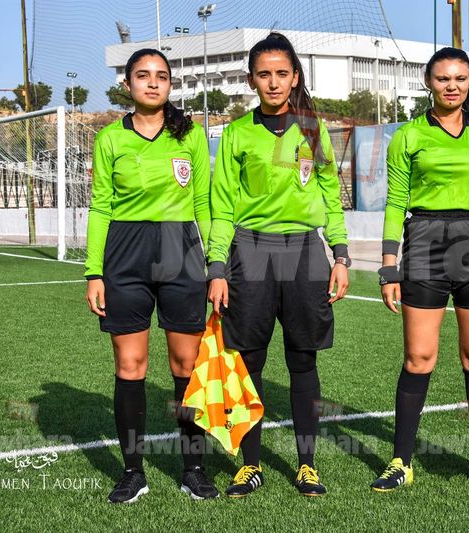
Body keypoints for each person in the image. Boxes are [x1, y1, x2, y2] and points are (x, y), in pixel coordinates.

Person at [371, 47, 469, 493]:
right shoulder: (408, 136)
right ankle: (401, 461)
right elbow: (395, 202)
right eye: (443, 79)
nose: (452, 86)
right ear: (428, 83)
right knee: (419, 358)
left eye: (460, 78)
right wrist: (388, 266)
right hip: (425, 245)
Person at [206, 32, 350, 498]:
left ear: (295, 77)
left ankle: (307, 465)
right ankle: (250, 465)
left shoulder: (314, 129)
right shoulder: (236, 134)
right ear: (251, 80)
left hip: (305, 252)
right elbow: (222, 205)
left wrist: (341, 255)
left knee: (302, 358)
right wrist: (216, 268)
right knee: (249, 361)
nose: (273, 82)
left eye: (281, 73)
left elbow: (331, 196)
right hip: (250, 251)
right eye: (264, 74)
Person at [84, 48, 218, 503]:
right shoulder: (110, 139)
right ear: (128, 85)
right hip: (125, 254)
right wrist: (94, 272)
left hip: (181, 250)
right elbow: (100, 206)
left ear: (170, 85)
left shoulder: (190, 135)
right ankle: (132, 472)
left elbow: (203, 204)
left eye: (161, 75)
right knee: (130, 366)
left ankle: (194, 468)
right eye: (143, 75)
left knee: (186, 366)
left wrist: (216, 265)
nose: (153, 82)